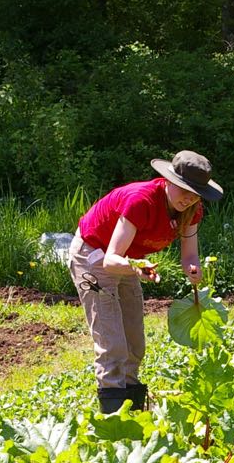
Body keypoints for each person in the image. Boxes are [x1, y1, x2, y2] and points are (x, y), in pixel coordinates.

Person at [69, 150, 224, 414]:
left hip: (131, 261)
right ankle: (114, 421)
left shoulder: (191, 210)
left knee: (134, 342)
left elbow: (189, 255)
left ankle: (133, 411)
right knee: (112, 342)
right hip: (94, 255)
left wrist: (193, 269)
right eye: (185, 189)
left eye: (196, 193)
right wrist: (136, 268)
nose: (189, 198)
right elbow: (110, 260)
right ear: (168, 181)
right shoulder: (141, 201)